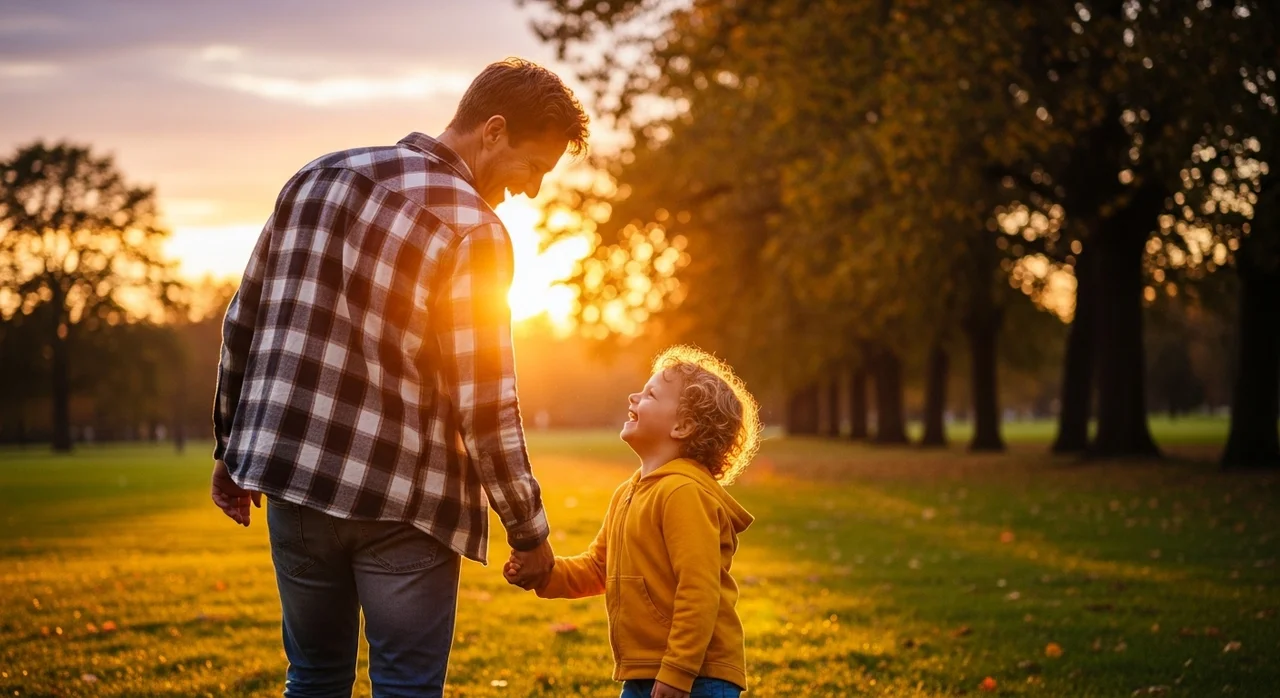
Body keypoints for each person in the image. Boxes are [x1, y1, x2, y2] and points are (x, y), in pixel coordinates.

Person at [208, 58, 589, 697]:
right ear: (492, 131)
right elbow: (486, 400)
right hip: (406, 503)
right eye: (534, 168)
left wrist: (230, 448)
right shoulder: (475, 228)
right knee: (408, 688)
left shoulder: (316, 176)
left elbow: (244, 320)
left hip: (295, 482)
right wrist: (529, 530)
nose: (531, 190)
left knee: (312, 678)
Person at [505, 345, 762, 698]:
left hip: (698, 675)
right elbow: (599, 568)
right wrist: (547, 574)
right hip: (646, 669)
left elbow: (699, 590)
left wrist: (678, 671)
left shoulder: (683, 492)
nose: (634, 396)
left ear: (683, 426)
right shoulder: (630, 492)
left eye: (651, 394)